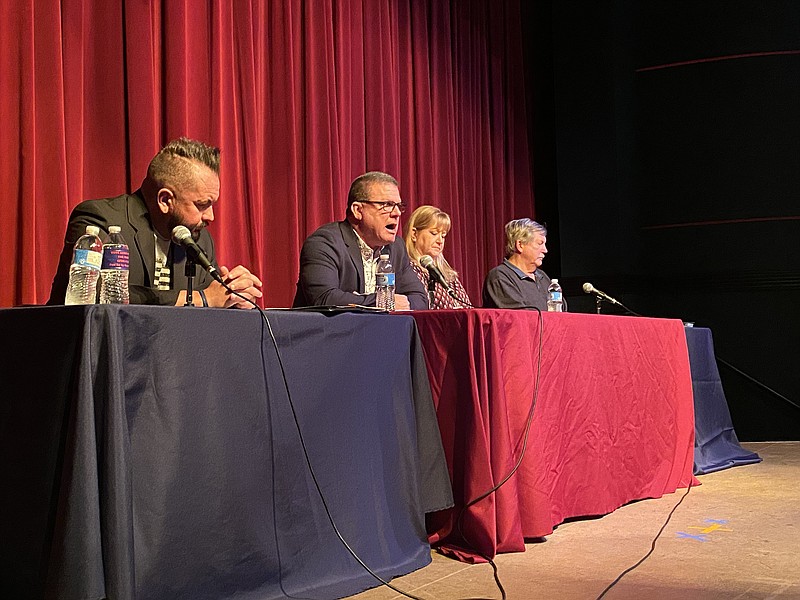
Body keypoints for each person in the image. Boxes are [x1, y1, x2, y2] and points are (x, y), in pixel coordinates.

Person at [48, 137, 262, 308]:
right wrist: (200, 299)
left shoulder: (198, 239)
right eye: (202, 205)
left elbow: (212, 297)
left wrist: (233, 296)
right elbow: (92, 294)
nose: (210, 217)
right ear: (165, 200)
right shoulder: (100, 219)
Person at [293, 171, 427, 310]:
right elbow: (324, 298)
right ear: (358, 210)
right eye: (387, 205)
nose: (397, 213)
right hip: (330, 330)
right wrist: (384, 302)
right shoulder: (324, 243)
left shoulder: (396, 247)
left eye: (399, 206)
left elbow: (420, 299)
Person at [483, 218, 563, 311]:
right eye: (539, 243)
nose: (545, 250)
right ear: (520, 245)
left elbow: (562, 311)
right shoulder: (500, 277)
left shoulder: (542, 277)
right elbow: (521, 318)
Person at [404, 205, 472, 309]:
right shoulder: (408, 269)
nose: (440, 241)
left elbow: (467, 307)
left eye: (443, 235)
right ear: (414, 234)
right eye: (434, 233)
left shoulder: (447, 274)